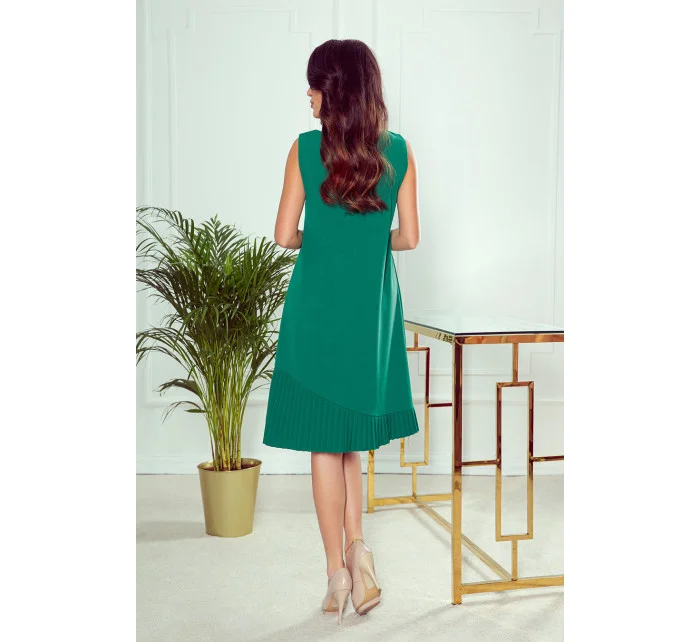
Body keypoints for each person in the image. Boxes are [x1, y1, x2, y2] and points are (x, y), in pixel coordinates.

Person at [262, 38, 420, 624]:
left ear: (333, 90)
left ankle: (336, 571)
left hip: (315, 311)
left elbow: (284, 235)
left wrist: (322, 240)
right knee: (348, 437)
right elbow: (408, 237)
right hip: (369, 315)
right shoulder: (398, 151)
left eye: (314, 84)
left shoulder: (306, 149)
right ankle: (360, 553)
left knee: (325, 443)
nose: (307, 94)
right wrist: (367, 242)